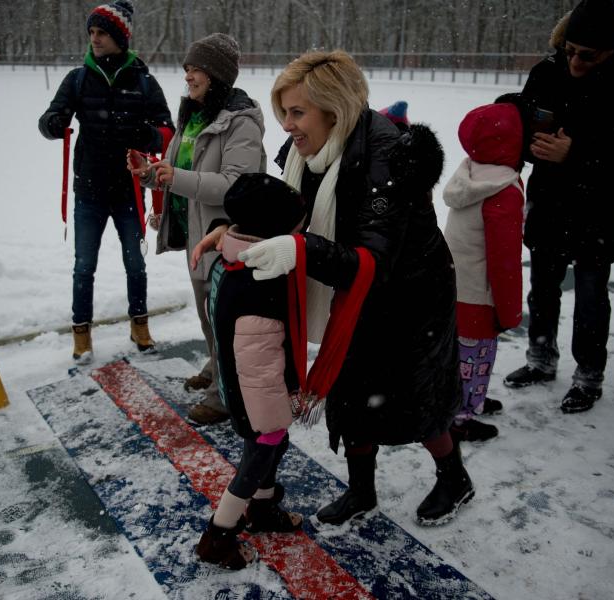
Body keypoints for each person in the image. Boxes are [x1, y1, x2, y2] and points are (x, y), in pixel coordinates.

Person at [194, 50, 471, 526]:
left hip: (409, 299)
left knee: (414, 400)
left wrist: (301, 249)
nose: (287, 125)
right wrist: (234, 228)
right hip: (349, 291)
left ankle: (454, 478)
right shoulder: (311, 152)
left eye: (297, 112)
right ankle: (361, 491)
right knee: (350, 397)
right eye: (283, 111)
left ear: (334, 109)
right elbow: (281, 209)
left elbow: (376, 261)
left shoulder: (387, 157)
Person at [503, 0, 614, 413]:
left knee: (591, 296)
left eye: (587, 55)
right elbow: (524, 124)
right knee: (542, 290)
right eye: (569, 50)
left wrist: (577, 153)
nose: (574, 61)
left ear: (612, 49)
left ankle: (589, 376)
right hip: (550, 205)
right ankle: (540, 359)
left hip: (599, 211)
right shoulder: (547, 72)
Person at [128, 33, 265, 425]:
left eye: (197, 68)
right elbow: (176, 170)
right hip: (195, 234)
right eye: (187, 67)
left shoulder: (241, 122)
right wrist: (149, 174)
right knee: (208, 316)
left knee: (222, 318)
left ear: (218, 74)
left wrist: (177, 177)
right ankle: (216, 366)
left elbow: (235, 185)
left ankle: (223, 396)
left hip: (227, 235)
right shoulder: (193, 114)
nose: (188, 75)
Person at [39, 2, 174, 362]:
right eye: (92, 33)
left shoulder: (144, 81)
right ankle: (81, 331)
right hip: (89, 191)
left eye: (102, 33)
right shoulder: (78, 78)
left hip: (129, 191)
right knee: (84, 265)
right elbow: (50, 117)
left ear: (119, 37)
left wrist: (148, 135)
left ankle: (139, 324)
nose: (94, 39)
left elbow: (167, 132)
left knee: (136, 264)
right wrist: (52, 124)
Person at [195, 173, 305, 570]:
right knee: (260, 453)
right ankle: (218, 535)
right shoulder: (261, 281)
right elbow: (258, 358)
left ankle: (262, 511)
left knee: (272, 446)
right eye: (298, 224)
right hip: (255, 391)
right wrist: (272, 414)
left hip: (239, 383)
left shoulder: (234, 258)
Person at [442, 101, 525, 443]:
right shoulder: (502, 193)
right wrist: (509, 311)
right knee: (476, 358)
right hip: (478, 294)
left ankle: (462, 400)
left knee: (458, 357)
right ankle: (462, 416)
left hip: (452, 286)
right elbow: (504, 262)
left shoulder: (470, 174)